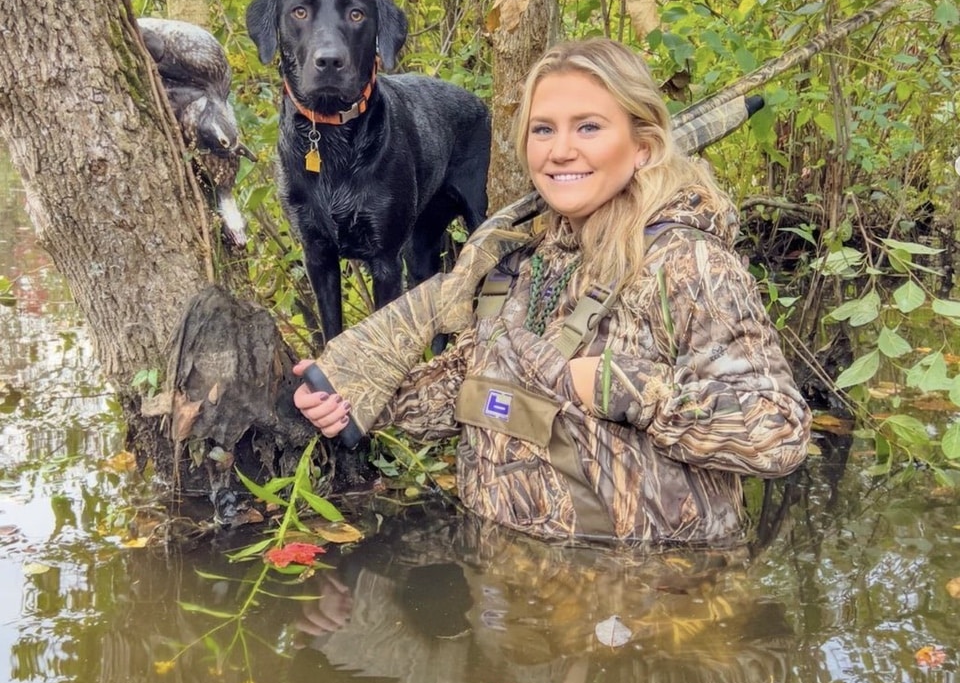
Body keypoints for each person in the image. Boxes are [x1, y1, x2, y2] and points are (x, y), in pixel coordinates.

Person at [293, 38, 811, 545]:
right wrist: (354, 398)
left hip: (654, 601)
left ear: (643, 147)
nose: (561, 151)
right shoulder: (521, 260)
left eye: (589, 126)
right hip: (510, 585)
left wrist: (623, 387)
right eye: (544, 130)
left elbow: (778, 432)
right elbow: (477, 395)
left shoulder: (686, 262)